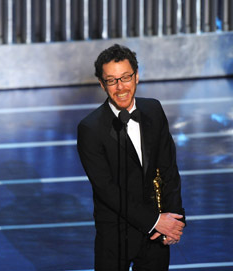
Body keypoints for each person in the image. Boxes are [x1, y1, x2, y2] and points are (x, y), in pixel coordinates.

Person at [77, 44, 185, 270]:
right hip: (115, 237)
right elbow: (107, 189)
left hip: (157, 235)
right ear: (102, 84)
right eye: (111, 80)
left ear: (136, 77)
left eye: (125, 77)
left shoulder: (154, 109)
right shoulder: (90, 128)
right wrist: (156, 222)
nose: (120, 87)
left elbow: (168, 169)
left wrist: (174, 221)